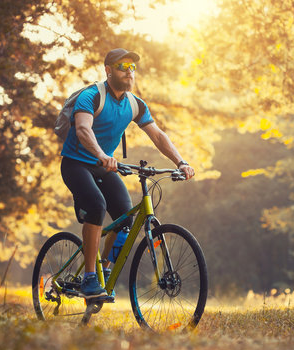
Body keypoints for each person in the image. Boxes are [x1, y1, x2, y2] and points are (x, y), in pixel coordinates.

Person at [60, 48, 195, 298]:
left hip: (104, 165)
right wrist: (101, 155)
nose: (129, 72)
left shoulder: (135, 104)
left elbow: (157, 135)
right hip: (76, 164)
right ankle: (89, 277)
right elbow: (82, 129)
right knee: (97, 205)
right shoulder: (92, 96)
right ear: (108, 70)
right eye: (123, 66)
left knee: (124, 218)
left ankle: (104, 271)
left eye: (133, 67)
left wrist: (180, 162)